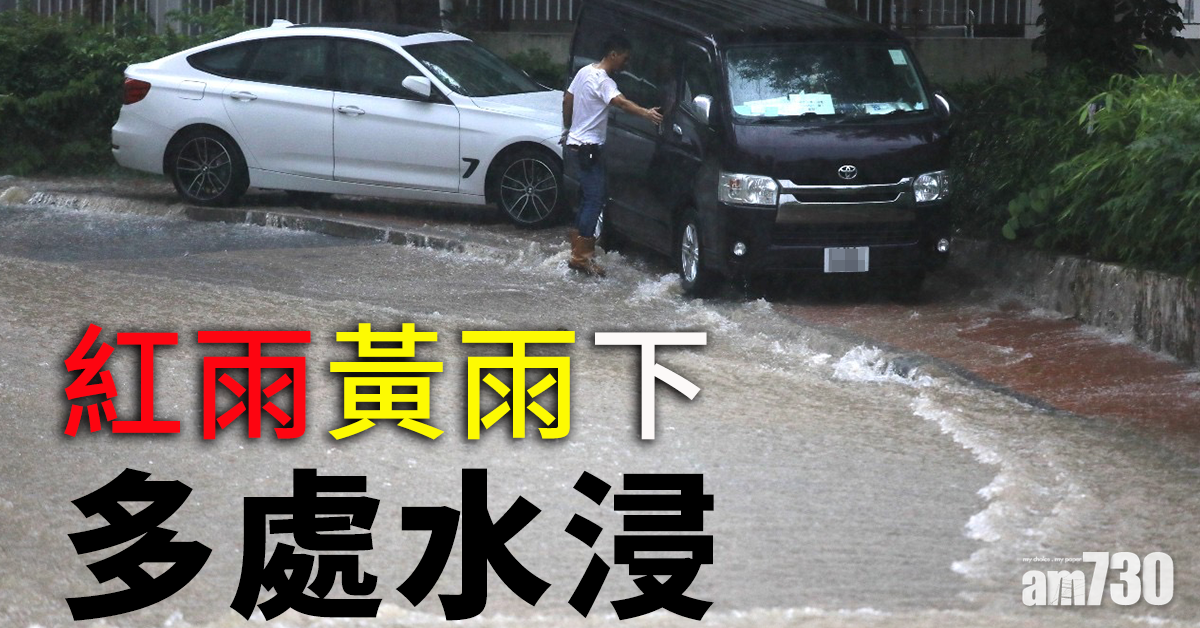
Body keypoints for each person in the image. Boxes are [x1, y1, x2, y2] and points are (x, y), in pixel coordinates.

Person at [561, 34, 664, 277]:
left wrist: (568, 128)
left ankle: (578, 251)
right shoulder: (603, 81)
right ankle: (581, 257)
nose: (625, 64)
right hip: (589, 149)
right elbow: (622, 103)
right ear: (613, 55)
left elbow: (567, 99)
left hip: (575, 144)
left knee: (588, 198)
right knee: (595, 199)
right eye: (624, 59)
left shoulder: (584, 71)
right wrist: (646, 114)